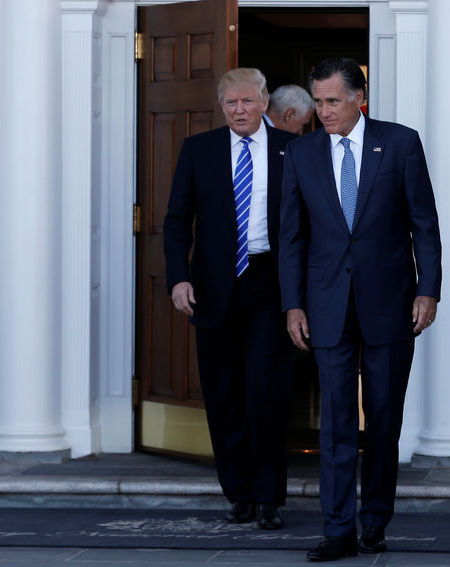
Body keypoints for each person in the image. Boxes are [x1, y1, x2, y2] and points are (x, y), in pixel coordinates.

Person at [278, 57, 442, 561]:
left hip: (390, 304)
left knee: (385, 419)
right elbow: (291, 238)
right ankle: (337, 529)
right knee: (336, 424)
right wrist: (293, 306)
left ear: (358, 98)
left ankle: (375, 521)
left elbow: (424, 226)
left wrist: (428, 290)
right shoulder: (301, 153)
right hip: (326, 307)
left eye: (331, 101)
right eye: (318, 101)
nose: (322, 111)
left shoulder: (399, 143)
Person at [164, 67, 296, 530]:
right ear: (222, 107)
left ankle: (269, 499)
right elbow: (178, 220)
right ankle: (238, 493)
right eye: (230, 103)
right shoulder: (199, 150)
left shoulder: (292, 150)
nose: (239, 110)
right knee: (223, 396)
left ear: (264, 103)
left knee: (266, 392)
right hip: (213, 287)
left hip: (270, 284)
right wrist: (179, 278)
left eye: (247, 101)